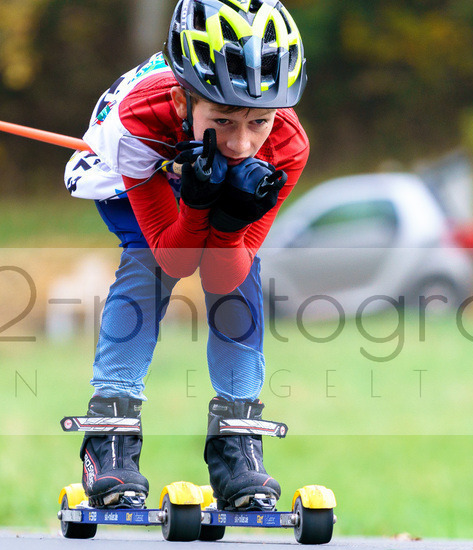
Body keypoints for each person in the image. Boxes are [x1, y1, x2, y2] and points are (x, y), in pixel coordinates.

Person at [63, 0, 308, 512]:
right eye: (223, 120)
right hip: (138, 169)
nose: (242, 143)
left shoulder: (285, 143)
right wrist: (197, 206)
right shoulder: (140, 120)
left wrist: (230, 222)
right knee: (148, 269)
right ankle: (109, 437)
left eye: (258, 122)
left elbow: (221, 272)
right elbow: (175, 259)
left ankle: (236, 444)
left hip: (187, 170)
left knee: (240, 279)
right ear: (182, 100)